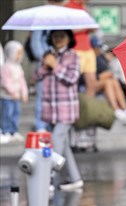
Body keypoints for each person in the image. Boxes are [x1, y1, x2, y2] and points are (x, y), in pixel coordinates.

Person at [35, 30, 83, 190]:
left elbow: (72, 78)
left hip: (66, 109)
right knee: (64, 145)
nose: (58, 39)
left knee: (56, 141)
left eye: (62, 36)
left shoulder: (73, 56)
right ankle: (75, 178)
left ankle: (47, 178)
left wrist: (55, 65)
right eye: (55, 36)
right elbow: (36, 77)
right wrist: (46, 65)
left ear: (69, 38)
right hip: (51, 109)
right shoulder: (48, 55)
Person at [30, 0, 65, 132]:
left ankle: (51, 123)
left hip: (58, 59)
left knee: (56, 94)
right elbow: (36, 41)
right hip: (46, 60)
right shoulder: (42, 16)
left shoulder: (61, 17)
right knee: (43, 94)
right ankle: (41, 125)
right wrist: (44, 58)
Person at [87, 36, 126, 124]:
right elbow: (88, 77)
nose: (99, 50)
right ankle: (116, 109)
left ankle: (125, 109)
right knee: (108, 83)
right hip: (90, 84)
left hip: (100, 81)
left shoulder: (99, 57)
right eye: (97, 48)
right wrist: (101, 76)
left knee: (113, 81)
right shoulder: (89, 57)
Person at [0, 41, 29, 143]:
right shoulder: (5, 67)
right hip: (7, 97)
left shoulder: (18, 67)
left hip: (17, 97)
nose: (19, 56)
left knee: (16, 113)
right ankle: (6, 130)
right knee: (6, 114)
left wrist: (24, 93)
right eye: (18, 53)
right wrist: (12, 92)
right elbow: (5, 82)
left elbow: (22, 81)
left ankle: (14, 130)